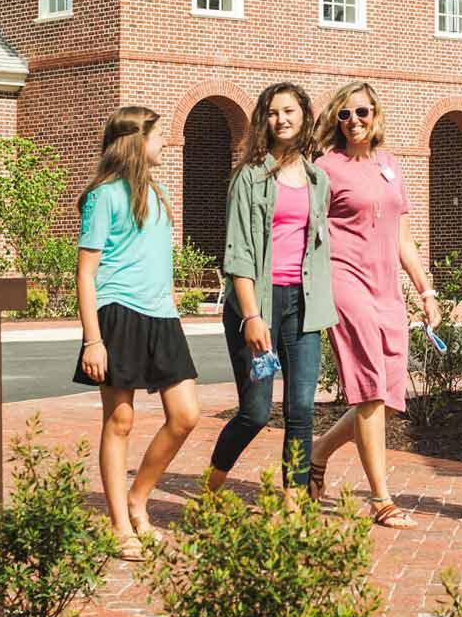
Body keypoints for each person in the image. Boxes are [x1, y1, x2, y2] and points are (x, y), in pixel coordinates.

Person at [308, 81, 442, 528]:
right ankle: (381, 498)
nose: (354, 122)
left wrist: (425, 291)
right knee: (368, 388)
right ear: (335, 121)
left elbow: (404, 237)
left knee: (384, 394)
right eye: (344, 115)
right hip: (345, 282)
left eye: (362, 113)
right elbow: (306, 232)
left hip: (387, 288)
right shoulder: (325, 168)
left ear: (375, 115)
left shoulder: (390, 164)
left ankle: (318, 452)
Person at [74, 106, 201, 560]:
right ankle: (120, 526)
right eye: (159, 134)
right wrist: (93, 339)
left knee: (186, 415)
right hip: (117, 314)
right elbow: (86, 273)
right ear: (136, 141)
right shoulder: (103, 196)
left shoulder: (161, 192)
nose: (164, 142)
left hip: (161, 317)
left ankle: (137, 497)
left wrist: (170, 307)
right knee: (120, 421)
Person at [208, 82, 335, 494]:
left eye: (289, 111)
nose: (281, 119)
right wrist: (251, 316)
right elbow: (239, 252)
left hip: (302, 304)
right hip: (257, 303)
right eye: (273, 112)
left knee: (301, 409)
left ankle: (294, 502)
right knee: (256, 412)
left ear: (304, 117)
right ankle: (213, 484)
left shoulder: (318, 181)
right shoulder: (249, 178)